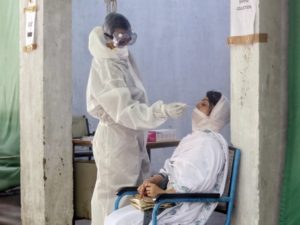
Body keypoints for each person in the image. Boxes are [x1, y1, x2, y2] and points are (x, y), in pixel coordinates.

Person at [86, 12, 187, 225]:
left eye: (127, 38)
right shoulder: (107, 64)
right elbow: (126, 111)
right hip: (117, 137)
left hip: (130, 135)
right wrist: (161, 111)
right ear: (107, 37)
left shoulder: (122, 56)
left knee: (134, 194)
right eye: (119, 38)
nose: (123, 42)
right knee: (115, 197)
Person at [104, 90, 230, 225]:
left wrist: (163, 193)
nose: (198, 104)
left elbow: (194, 183)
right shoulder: (194, 139)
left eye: (204, 104)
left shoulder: (209, 143)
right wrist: (154, 181)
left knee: (118, 222)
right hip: (166, 199)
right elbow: (172, 168)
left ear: (215, 115)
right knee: (114, 218)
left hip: (182, 206)